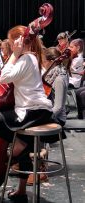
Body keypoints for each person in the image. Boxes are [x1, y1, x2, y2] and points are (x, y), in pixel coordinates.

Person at [0, 25, 53, 201]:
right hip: (39, 112)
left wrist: (14, 54)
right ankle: (21, 190)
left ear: (19, 42)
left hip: (32, 112)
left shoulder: (26, 59)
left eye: (10, 42)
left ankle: (19, 147)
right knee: (23, 142)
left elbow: (4, 78)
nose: (8, 45)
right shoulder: (33, 58)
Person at [26, 47, 70, 185]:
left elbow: (58, 107)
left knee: (32, 123)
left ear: (51, 61)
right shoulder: (53, 74)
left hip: (57, 117)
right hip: (50, 112)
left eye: (43, 61)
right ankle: (25, 162)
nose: (42, 64)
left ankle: (40, 169)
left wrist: (43, 116)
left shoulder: (59, 78)